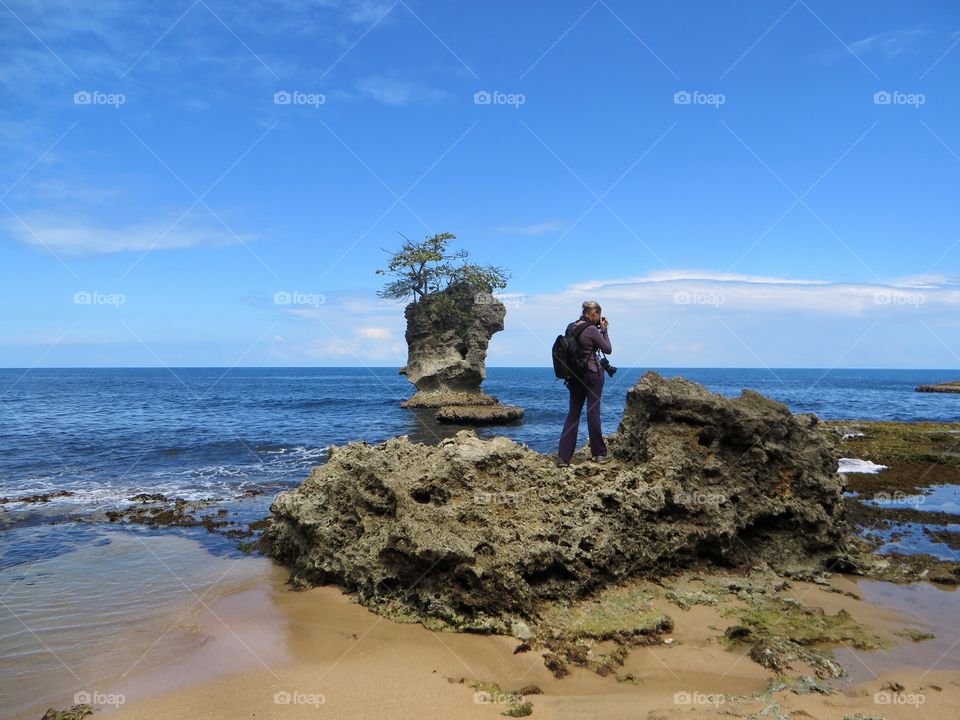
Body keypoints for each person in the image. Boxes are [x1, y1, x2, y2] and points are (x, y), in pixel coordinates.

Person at [557, 300, 612, 467]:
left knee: (573, 414)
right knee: (593, 413)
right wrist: (604, 330)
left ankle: (563, 458)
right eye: (598, 315)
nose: (599, 319)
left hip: (574, 376)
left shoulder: (571, 327)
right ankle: (599, 454)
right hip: (593, 374)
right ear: (594, 313)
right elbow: (608, 349)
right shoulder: (592, 330)